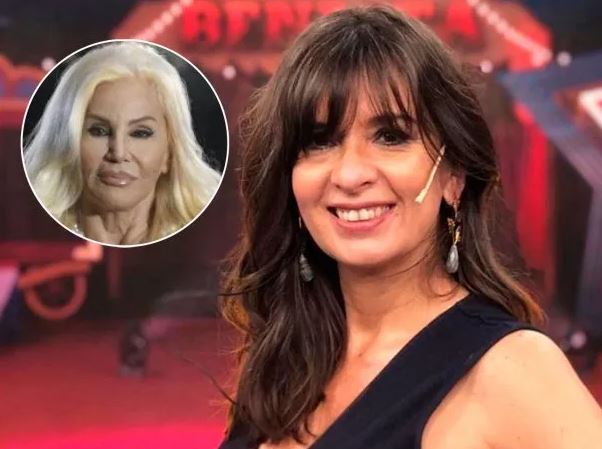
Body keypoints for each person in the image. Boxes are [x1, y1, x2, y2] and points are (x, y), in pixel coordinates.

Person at [218, 6, 602, 449]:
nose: (350, 174)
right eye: (320, 141)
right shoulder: (286, 358)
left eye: (391, 136)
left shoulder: (511, 369)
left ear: (453, 176)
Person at [23, 42, 221, 245]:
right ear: (66, 142)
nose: (118, 153)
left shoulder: (207, 241)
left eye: (140, 133)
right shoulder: (31, 237)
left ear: (170, 153)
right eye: (99, 131)